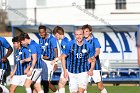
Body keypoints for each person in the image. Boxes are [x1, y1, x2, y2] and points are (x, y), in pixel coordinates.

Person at [62, 28, 95, 93]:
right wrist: (65, 70)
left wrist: (91, 70)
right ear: (74, 35)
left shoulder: (89, 46)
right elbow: (63, 57)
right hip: (72, 72)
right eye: (77, 34)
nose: (78, 36)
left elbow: (93, 59)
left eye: (80, 34)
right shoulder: (69, 45)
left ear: (83, 35)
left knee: (80, 91)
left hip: (83, 72)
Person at [82, 24, 107, 93]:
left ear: (90, 31)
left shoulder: (95, 40)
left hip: (95, 67)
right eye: (83, 32)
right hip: (84, 67)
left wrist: (92, 57)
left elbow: (98, 51)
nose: (85, 33)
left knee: (100, 86)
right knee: (83, 87)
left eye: (86, 31)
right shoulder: (81, 41)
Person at [38, 25, 58, 93]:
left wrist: (56, 62)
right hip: (43, 62)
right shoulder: (40, 39)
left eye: (43, 32)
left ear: (45, 31)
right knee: (43, 81)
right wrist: (42, 57)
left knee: (47, 82)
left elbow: (56, 50)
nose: (41, 34)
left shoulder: (52, 39)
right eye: (40, 32)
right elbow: (40, 51)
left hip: (50, 62)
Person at [52, 26, 70, 93]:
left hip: (68, 67)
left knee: (61, 84)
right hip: (66, 66)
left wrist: (56, 59)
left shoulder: (65, 42)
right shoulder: (64, 41)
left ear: (58, 33)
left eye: (55, 35)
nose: (55, 37)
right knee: (61, 84)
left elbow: (65, 54)